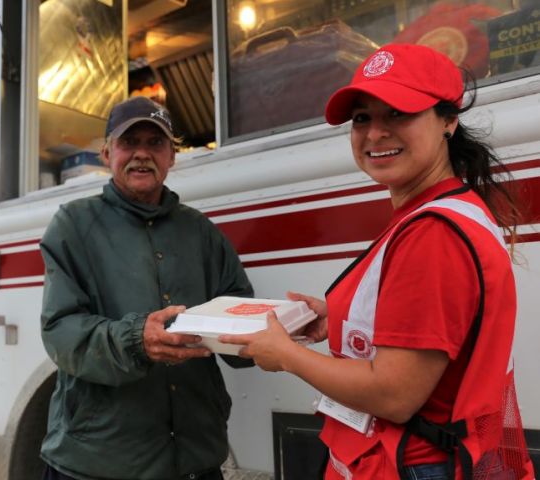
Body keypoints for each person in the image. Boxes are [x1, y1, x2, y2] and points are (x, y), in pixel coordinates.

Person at [219, 44, 535, 480]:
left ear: (448, 120)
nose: (375, 133)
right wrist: (339, 318)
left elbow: (394, 395)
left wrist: (286, 356)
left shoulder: (432, 234)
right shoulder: (443, 209)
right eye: (362, 118)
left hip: (413, 465)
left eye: (399, 113)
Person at [39, 96, 254, 480]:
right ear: (107, 153)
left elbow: (236, 305)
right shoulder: (73, 225)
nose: (141, 154)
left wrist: (272, 333)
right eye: (128, 143)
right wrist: (138, 338)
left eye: (155, 144)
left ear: (172, 156)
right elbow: (61, 332)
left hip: (195, 459)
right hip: (98, 463)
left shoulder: (201, 232)